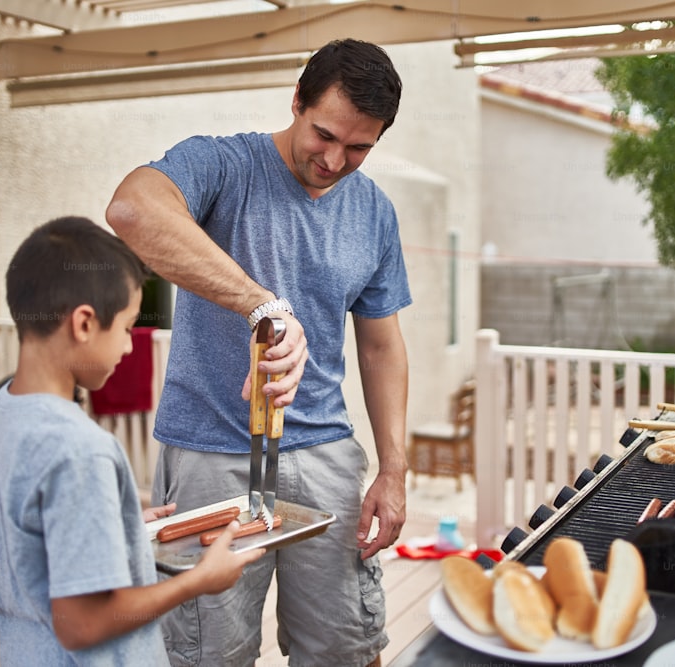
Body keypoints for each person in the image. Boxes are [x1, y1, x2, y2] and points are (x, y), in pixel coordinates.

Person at [105, 38, 410, 667]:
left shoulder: (375, 211)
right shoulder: (221, 165)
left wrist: (394, 467)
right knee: (207, 653)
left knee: (346, 649)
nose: (333, 159)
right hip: (210, 455)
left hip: (326, 452)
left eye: (358, 147)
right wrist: (264, 305)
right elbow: (133, 208)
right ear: (296, 101)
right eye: (323, 134)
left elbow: (381, 346)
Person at [0, 216, 264, 666]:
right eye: (126, 327)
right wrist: (198, 580)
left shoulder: (0, 413)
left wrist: (119, 528)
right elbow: (82, 623)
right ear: (84, 323)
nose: (128, 347)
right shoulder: (79, 450)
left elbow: (32, 542)